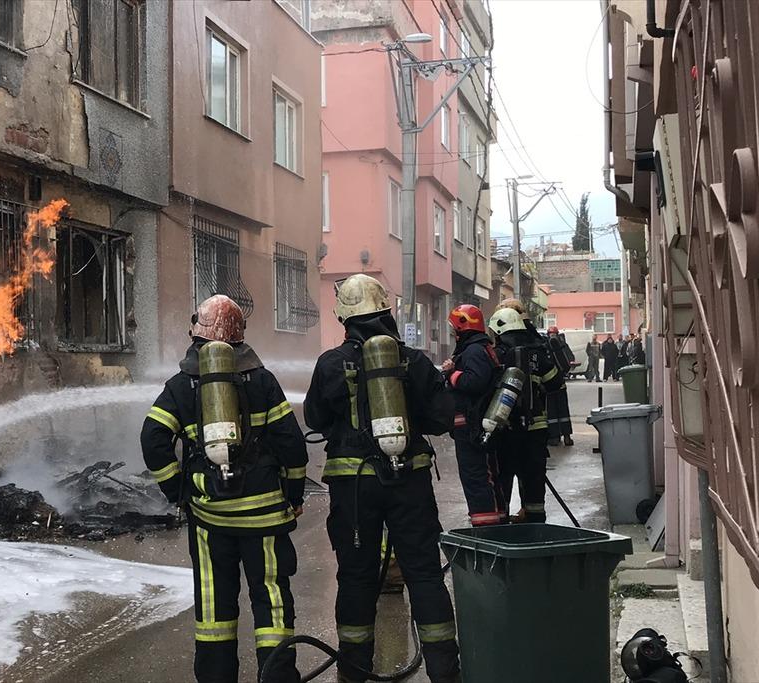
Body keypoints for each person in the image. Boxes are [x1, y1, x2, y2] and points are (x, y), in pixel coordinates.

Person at [141, 295, 308, 683]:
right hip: (265, 516)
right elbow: (292, 445)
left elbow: (153, 439)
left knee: (214, 611)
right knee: (272, 602)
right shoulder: (263, 381)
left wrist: (178, 490)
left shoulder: (182, 385)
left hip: (210, 517)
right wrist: (294, 494)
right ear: (239, 335)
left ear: (197, 330)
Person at [304, 274, 459, 683]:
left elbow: (315, 419)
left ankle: (354, 673)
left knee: (356, 576)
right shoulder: (416, 360)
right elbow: (442, 420)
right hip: (409, 481)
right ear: (386, 311)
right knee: (424, 572)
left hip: (354, 486)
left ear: (345, 317)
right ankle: (445, 671)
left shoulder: (331, 364)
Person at [488, 307, 564, 523]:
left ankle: (501, 529)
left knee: (502, 481)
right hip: (535, 431)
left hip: (505, 431)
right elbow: (555, 383)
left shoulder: (497, 355)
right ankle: (535, 525)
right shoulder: (537, 352)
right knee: (533, 482)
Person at [441, 304, 505, 526]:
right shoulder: (479, 348)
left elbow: (474, 382)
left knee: (475, 476)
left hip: (472, 426)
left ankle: (485, 527)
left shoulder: (473, 351)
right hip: (476, 424)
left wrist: (451, 374)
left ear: (462, 327)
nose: (453, 334)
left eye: (454, 329)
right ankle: (494, 521)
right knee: (485, 475)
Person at [544, 326, 575, 447]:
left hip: (549, 385)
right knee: (563, 410)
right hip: (560, 383)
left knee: (551, 411)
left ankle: (554, 437)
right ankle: (567, 437)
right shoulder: (562, 345)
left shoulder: (545, 345)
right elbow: (569, 360)